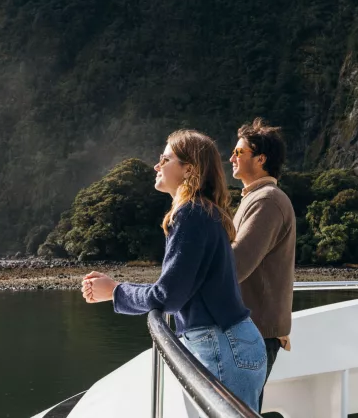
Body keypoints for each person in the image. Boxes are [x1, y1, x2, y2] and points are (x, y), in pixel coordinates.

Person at [81, 129, 267, 412]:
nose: (157, 166)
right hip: (231, 343)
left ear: (188, 169)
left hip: (222, 346)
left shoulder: (191, 214)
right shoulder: (203, 211)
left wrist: (116, 291)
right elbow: (175, 289)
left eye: (165, 159)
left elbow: (168, 297)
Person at [229, 118, 296, 410]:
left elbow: (237, 264)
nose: (231, 157)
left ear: (261, 159)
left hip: (254, 332)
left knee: (238, 410)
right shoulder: (255, 198)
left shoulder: (267, 200)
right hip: (253, 329)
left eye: (239, 152)